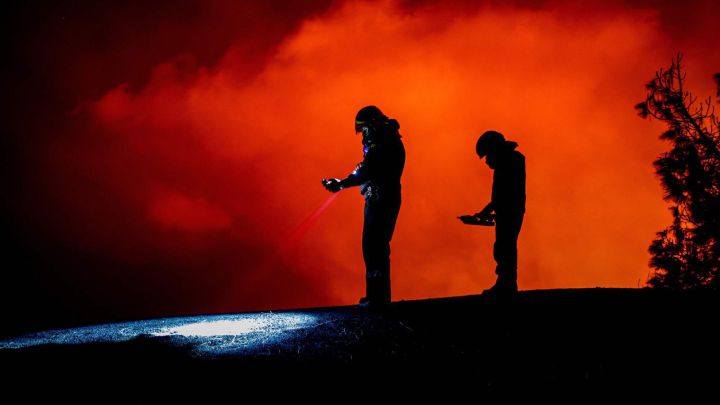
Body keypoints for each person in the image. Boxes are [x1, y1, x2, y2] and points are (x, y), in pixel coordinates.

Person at [323, 106, 405, 309]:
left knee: (374, 247)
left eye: (365, 129)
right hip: (379, 198)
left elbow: (369, 170)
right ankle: (376, 296)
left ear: (373, 124)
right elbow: (367, 167)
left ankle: (377, 299)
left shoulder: (384, 144)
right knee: (375, 247)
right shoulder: (387, 141)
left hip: (380, 200)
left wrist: (341, 183)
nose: (364, 135)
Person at [459, 130, 525, 296]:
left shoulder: (510, 162)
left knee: (505, 247)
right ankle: (506, 283)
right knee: (504, 246)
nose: (487, 161)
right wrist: (485, 212)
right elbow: (500, 196)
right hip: (509, 210)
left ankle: (506, 284)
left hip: (510, 211)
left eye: (488, 155)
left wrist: (487, 211)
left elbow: (505, 193)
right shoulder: (511, 161)